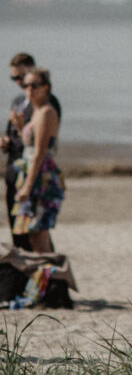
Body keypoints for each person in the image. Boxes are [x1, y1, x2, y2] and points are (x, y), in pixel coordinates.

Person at [4, 53, 61, 249]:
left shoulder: (46, 110)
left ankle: (52, 279)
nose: (27, 88)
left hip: (40, 176)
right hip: (25, 172)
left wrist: (27, 187)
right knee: (28, 234)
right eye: (23, 83)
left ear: (45, 86)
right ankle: (39, 278)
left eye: (33, 85)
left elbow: (39, 152)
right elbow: (28, 143)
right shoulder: (30, 107)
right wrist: (18, 129)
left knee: (38, 235)